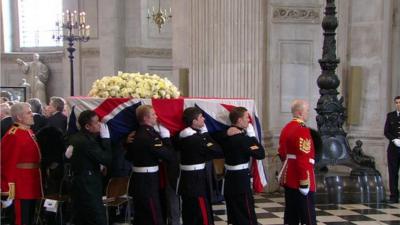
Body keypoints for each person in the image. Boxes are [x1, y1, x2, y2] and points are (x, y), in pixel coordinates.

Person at [125, 105, 176, 225]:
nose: (156, 117)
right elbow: (168, 155)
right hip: (148, 180)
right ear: (146, 118)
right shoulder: (149, 136)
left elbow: (128, 156)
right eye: (153, 114)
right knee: (153, 214)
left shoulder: (134, 135)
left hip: (138, 178)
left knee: (142, 214)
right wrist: (167, 138)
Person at [217, 107, 265, 225]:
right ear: (239, 120)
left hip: (229, 179)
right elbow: (260, 154)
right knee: (246, 214)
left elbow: (214, 136)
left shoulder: (225, 136)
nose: (249, 120)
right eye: (246, 117)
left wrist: (226, 132)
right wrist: (253, 136)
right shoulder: (244, 139)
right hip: (241, 181)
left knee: (233, 213)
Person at [177, 107, 223, 225]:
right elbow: (218, 151)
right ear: (194, 122)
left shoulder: (180, 136)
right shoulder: (197, 139)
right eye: (201, 117)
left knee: (189, 210)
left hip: (186, 178)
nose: (204, 118)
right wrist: (206, 134)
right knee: (202, 211)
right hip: (197, 180)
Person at [1, 102, 42, 225]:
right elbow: (6, 163)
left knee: (29, 218)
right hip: (20, 185)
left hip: (30, 182)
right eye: (29, 113)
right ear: (19, 117)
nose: (32, 115)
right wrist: (7, 190)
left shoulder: (27, 131)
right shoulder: (13, 135)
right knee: (21, 219)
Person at [67, 110, 112, 225]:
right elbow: (106, 159)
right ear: (87, 126)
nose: (99, 125)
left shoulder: (75, 137)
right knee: (96, 216)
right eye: (96, 123)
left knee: (82, 216)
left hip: (79, 181)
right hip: (88, 184)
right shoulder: (87, 142)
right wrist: (106, 140)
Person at [278, 99, 316, 225]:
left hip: (289, 176)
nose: (308, 113)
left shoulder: (287, 127)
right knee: (307, 216)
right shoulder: (302, 129)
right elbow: (303, 158)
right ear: (300, 113)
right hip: (300, 179)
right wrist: (304, 182)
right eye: (307, 111)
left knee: (291, 215)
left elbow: (282, 153)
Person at [384, 95, 400, 203]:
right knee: (393, 172)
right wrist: (394, 139)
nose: (398, 104)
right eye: (397, 102)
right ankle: (393, 196)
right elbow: (386, 131)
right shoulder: (390, 116)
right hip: (393, 149)